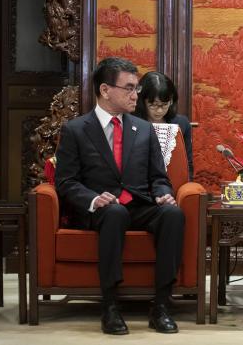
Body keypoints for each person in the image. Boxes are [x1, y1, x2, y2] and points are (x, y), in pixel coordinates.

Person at [55, 57, 185, 335]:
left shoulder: (144, 129)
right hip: (102, 210)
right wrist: (92, 199)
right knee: (114, 212)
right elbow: (65, 182)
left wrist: (163, 195)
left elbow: (159, 178)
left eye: (136, 88)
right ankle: (110, 307)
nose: (135, 94)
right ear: (105, 90)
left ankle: (161, 306)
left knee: (172, 214)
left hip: (139, 205)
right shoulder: (76, 130)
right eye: (129, 88)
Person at [133, 71, 194, 180]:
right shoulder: (131, 123)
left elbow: (187, 164)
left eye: (165, 104)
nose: (160, 110)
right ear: (142, 102)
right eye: (153, 105)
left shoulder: (182, 123)